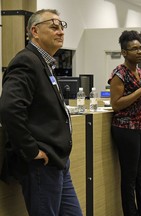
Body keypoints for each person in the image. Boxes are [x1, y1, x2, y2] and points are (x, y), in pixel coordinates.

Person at [0, 9, 83, 215]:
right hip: (42, 165)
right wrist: (31, 150)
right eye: (54, 27)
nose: (61, 32)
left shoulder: (44, 63)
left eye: (62, 27)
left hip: (59, 162)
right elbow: (10, 108)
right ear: (35, 31)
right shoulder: (26, 61)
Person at [108, 30, 141, 216]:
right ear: (124, 52)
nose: (140, 52)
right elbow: (116, 104)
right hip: (125, 129)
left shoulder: (139, 71)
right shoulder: (119, 73)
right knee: (129, 177)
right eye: (134, 49)